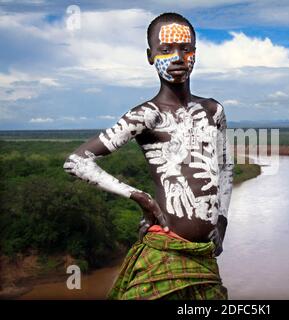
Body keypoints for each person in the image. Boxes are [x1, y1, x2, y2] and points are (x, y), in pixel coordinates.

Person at [63, 12, 234, 300]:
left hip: (205, 255)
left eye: (185, 48)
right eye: (166, 49)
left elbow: (225, 166)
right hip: (163, 249)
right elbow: (77, 161)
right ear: (150, 55)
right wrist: (139, 197)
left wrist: (222, 221)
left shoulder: (213, 111)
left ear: (195, 53)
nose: (178, 57)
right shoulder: (146, 116)